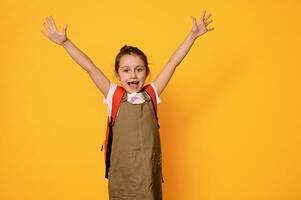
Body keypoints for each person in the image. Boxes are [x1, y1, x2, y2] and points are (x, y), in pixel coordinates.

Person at [41, 10, 214, 200]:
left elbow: (173, 63)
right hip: (122, 176)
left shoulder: (152, 94)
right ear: (118, 74)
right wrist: (65, 42)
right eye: (126, 70)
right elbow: (89, 66)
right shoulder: (113, 94)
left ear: (146, 73)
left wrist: (192, 36)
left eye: (139, 70)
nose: (133, 75)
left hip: (148, 176)